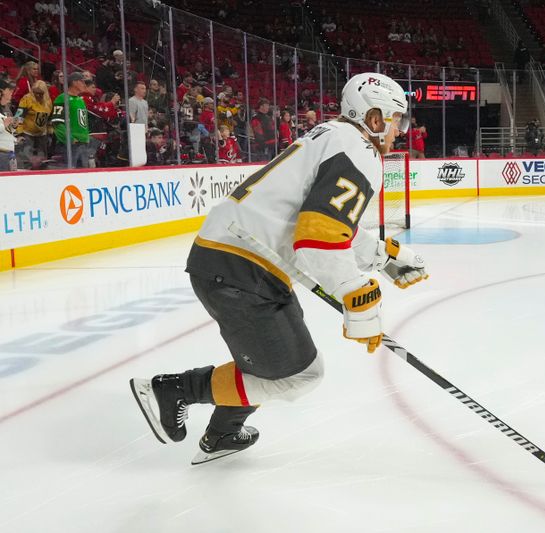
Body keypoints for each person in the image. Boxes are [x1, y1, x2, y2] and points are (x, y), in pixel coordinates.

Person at [129, 72, 428, 464]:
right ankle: (172, 390)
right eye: (396, 120)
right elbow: (319, 234)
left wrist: (384, 257)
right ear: (374, 118)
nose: (399, 131)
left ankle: (222, 433)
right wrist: (355, 293)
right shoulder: (359, 149)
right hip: (239, 266)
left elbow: (325, 225)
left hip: (238, 259)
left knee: (273, 362)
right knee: (297, 373)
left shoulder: (334, 136)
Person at [51, 72, 91, 167]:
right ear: (74, 82)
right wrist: (70, 139)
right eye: (82, 82)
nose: (84, 85)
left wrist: (86, 137)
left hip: (83, 143)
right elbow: (57, 123)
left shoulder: (80, 100)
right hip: (70, 145)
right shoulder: (62, 98)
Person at [0, 79, 18, 170]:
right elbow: (3, 126)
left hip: (10, 152)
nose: (11, 92)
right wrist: (4, 125)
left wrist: (14, 126)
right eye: (8, 90)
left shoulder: (6, 109)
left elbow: (7, 131)